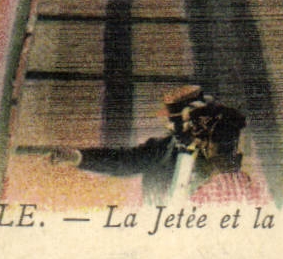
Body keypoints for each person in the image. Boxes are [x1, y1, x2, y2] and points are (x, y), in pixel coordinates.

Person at [50, 85, 207, 205]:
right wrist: (80, 158)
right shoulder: (161, 150)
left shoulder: (227, 147)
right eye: (174, 121)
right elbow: (124, 161)